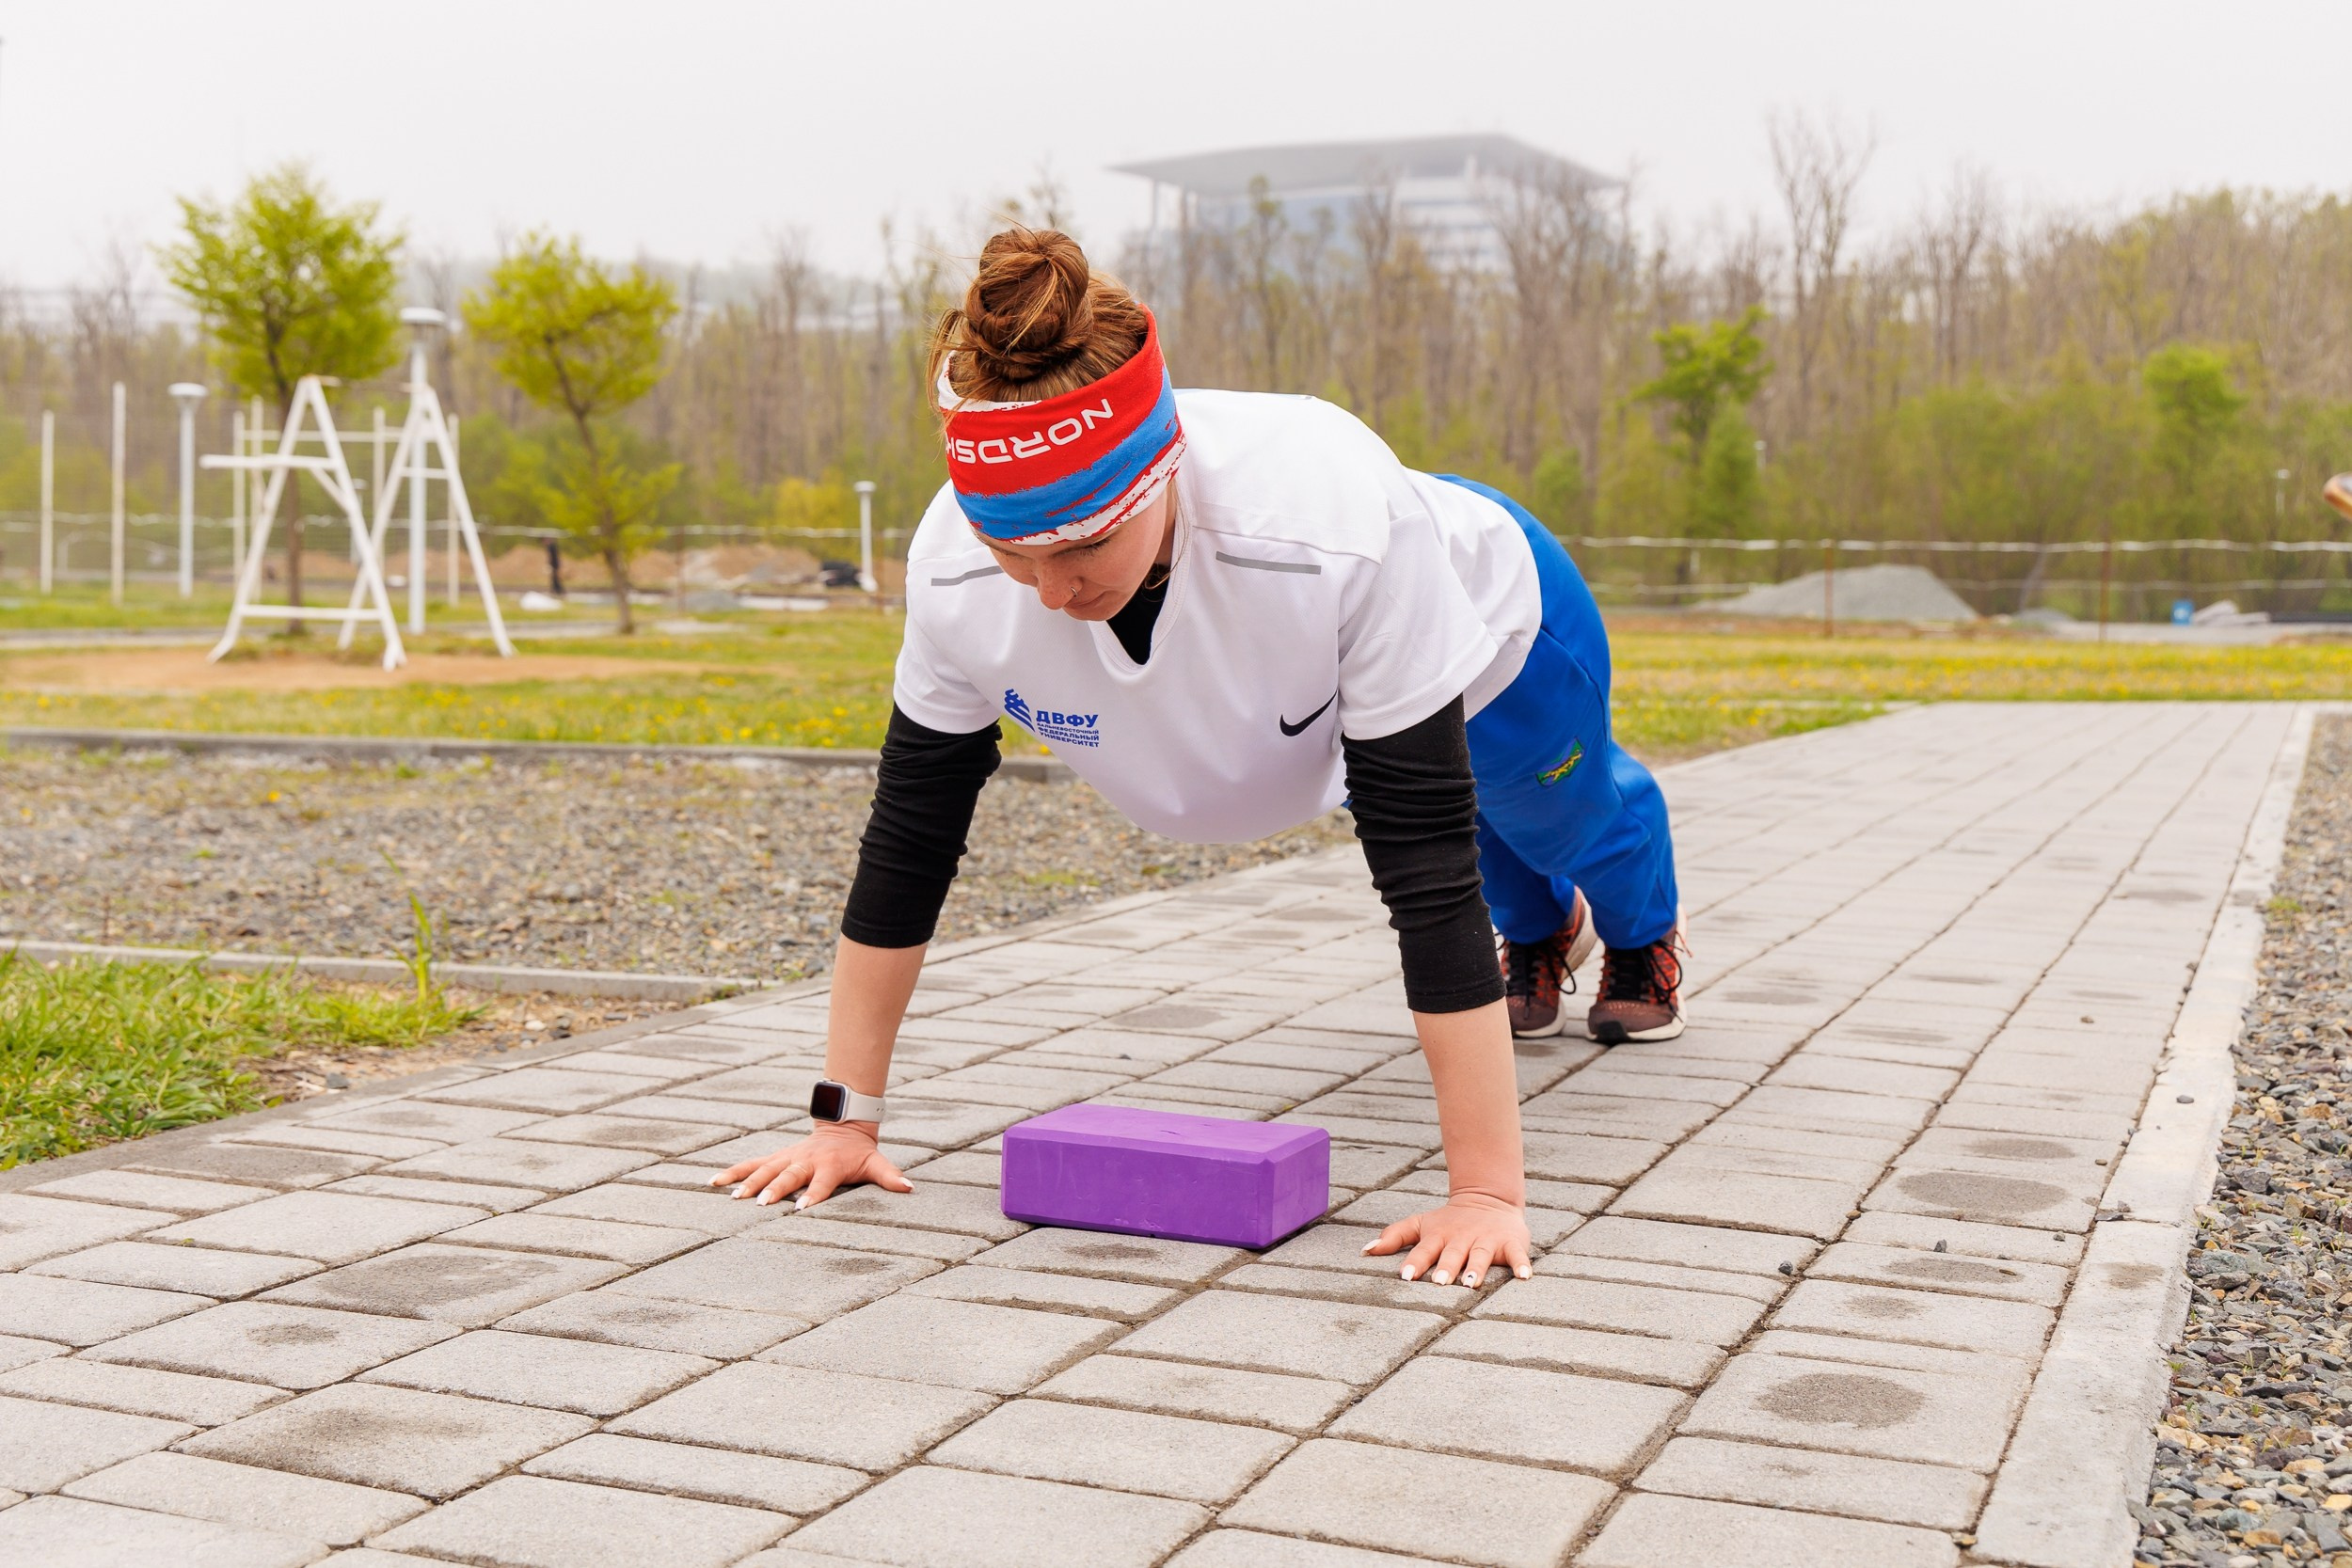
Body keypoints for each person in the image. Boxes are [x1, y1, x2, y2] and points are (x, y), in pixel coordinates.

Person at [719, 228, 1682, 1290]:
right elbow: (908, 843)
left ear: (1163, 474)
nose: (1048, 591)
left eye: (1083, 544)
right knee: (1493, 857)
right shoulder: (951, 567)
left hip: (1498, 608)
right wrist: (843, 1123)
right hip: (1322, 626)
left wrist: (1486, 1192)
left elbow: (1418, 856)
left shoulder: (1326, 529)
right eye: (1014, 555)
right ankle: (1541, 933)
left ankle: (1639, 936)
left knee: (1543, 813)